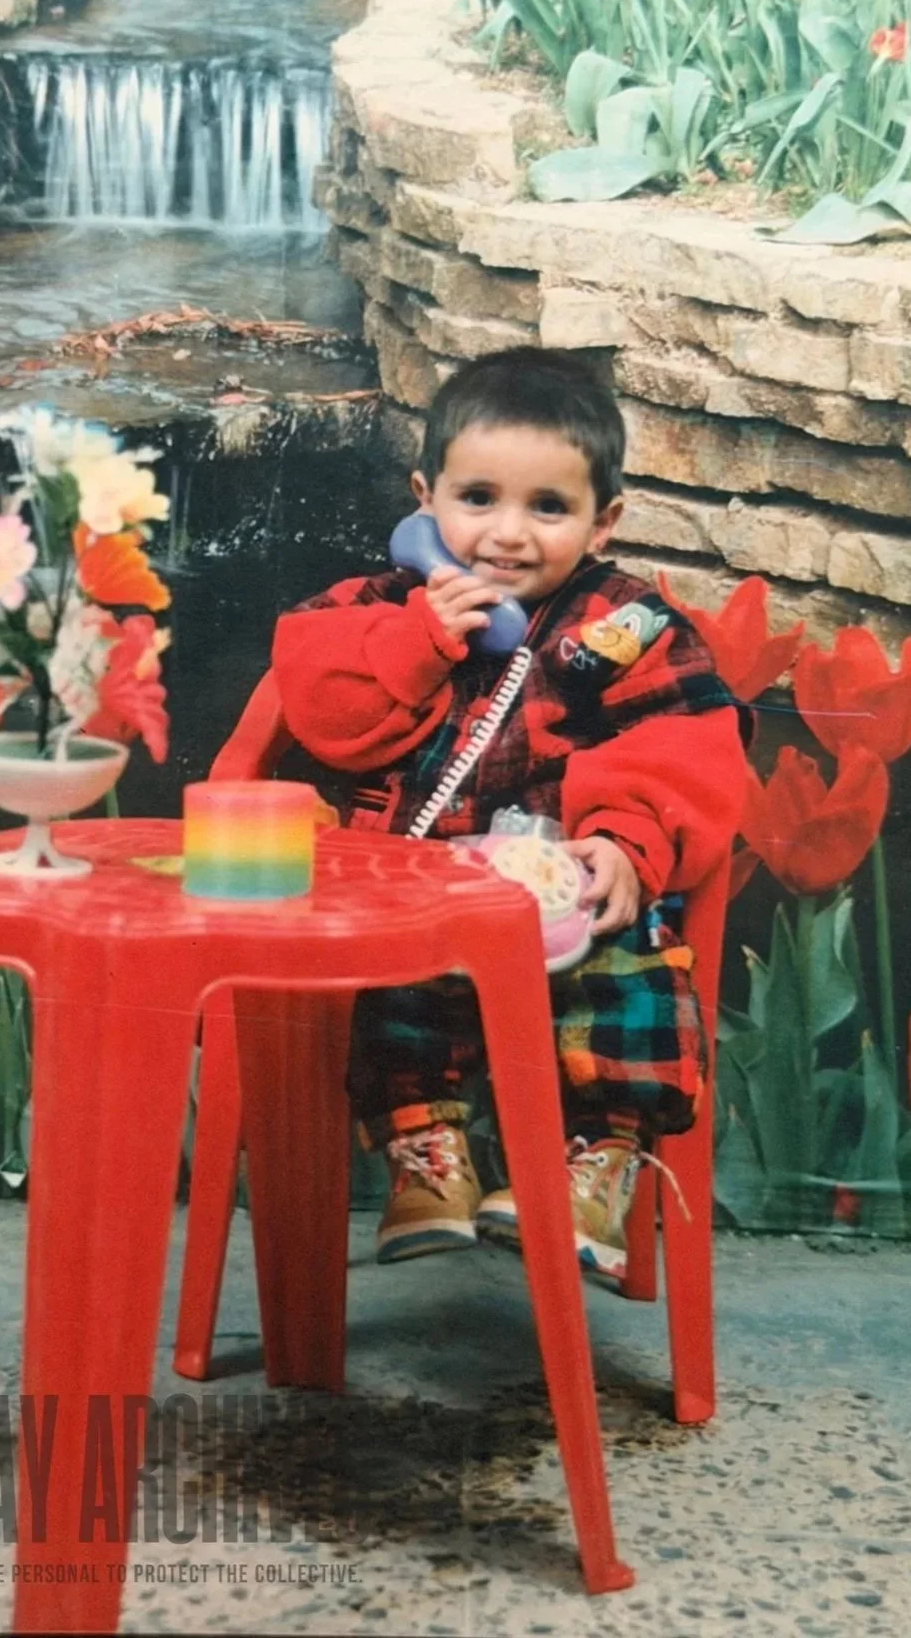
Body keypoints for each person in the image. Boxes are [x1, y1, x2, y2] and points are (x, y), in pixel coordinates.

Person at [269, 347, 745, 1273]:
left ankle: (594, 1161)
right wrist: (417, 642)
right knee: (382, 980)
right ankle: (425, 1151)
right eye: (477, 497)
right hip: (414, 893)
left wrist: (624, 843)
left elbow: (679, 742)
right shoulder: (370, 607)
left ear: (601, 522)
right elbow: (322, 718)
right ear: (425, 499)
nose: (508, 535)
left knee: (634, 955)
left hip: (563, 900)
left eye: (549, 507)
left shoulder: (627, 629)